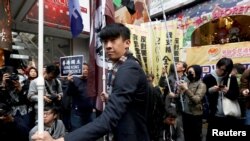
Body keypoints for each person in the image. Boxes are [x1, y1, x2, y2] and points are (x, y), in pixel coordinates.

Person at [31, 23, 150, 141]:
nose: (107, 46)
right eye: (105, 41)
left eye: (113, 40)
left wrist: (61, 140)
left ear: (127, 43)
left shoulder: (128, 69)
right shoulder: (120, 67)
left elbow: (108, 119)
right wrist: (110, 98)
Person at [202, 57, 240, 141]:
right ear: (217, 66)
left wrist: (228, 92)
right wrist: (211, 90)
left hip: (229, 115)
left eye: (225, 70)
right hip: (214, 115)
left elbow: (236, 95)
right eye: (220, 68)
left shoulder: (231, 78)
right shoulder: (208, 78)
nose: (222, 72)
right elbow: (202, 95)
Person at [177, 65, 206, 141]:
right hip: (185, 113)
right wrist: (179, 90)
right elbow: (181, 96)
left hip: (195, 115)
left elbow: (196, 99)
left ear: (197, 73)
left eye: (191, 72)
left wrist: (186, 89)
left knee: (195, 136)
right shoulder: (187, 82)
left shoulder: (202, 85)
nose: (188, 74)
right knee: (187, 135)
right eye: (188, 72)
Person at [66, 63, 96, 131]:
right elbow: (69, 93)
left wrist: (94, 106)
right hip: (77, 112)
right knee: (77, 131)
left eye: (87, 69)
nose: (86, 71)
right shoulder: (74, 80)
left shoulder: (91, 81)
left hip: (89, 112)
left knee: (89, 132)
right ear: (78, 70)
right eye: (83, 69)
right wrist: (71, 83)